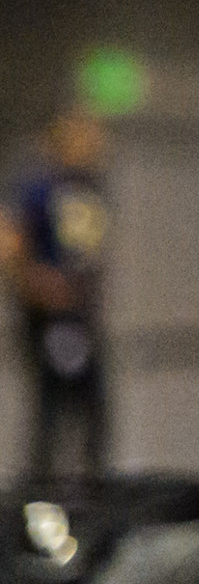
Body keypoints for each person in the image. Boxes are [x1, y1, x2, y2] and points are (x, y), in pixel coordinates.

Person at [4, 109, 112, 481]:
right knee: (53, 408)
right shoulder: (39, 186)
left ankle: (87, 489)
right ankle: (40, 492)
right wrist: (39, 284)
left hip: (80, 316)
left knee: (92, 409)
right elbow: (12, 242)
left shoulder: (87, 186)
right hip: (51, 318)